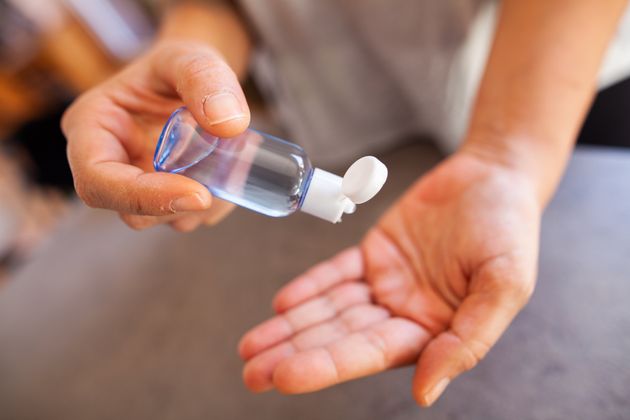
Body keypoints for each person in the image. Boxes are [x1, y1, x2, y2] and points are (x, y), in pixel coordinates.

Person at [61, 0, 629, 407]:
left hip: (553, 79)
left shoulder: (291, 189)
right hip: (355, 110)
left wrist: (508, 158)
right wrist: (187, 53)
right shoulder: (292, 190)